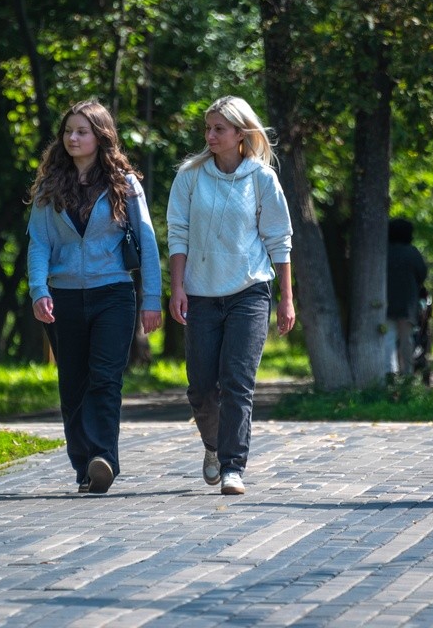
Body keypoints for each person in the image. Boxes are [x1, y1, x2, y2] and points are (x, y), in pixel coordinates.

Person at [27, 100, 162, 494]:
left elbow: (148, 243)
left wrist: (152, 298)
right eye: (68, 131)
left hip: (114, 295)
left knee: (105, 379)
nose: (72, 137)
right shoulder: (50, 184)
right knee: (73, 384)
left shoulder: (124, 183)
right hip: (64, 296)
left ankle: (104, 458)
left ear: (100, 136)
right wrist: (39, 290)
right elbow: (38, 243)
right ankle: (84, 466)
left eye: (81, 131)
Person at [166, 95, 295, 496]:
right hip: (201, 294)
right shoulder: (190, 175)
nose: (210, 136)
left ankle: (232, 467)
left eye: (219, 129)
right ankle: (213, 446)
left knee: (238, 382)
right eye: (207, 128)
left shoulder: (261, 179)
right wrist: (178, 287)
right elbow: (178, 233)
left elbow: (280, 239)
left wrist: (287, 298)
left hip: (250, 291)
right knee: (202, 388)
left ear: (241, 133)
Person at [385, 218, 428, 375]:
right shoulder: (412, 253)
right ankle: (407, 372)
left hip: (386, 302)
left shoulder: (384, 252)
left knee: (388, 339)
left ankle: (388, 372)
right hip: (408, 304)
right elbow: (422, 274)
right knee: (406, 339)